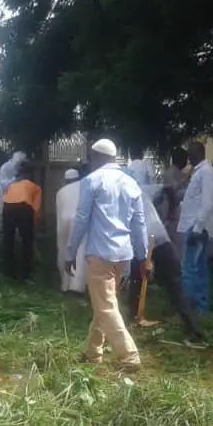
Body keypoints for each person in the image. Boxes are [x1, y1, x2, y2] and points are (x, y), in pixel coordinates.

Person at [65, 138, 148, 373]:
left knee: (105, 306)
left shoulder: (92, 181)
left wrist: (70, 253)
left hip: (101, 253)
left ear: (97, 157)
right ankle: (93, 352)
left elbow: (82, 219)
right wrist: (143, 257)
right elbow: (140, 223)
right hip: (123, 255)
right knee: (105, 303)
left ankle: (129, 356)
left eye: (91, 158)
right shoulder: (130, 182)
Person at [126, 167, 207, 345]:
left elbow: (134, 228)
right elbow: (167, 188)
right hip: (159, 238)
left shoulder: (121, 195)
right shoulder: (141, 189)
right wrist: (170, 212)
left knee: (140, 278)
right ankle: (193, 329)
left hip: (146, 241)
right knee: (171, 284)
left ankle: (135, 318)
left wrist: (144, 259)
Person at [177, 141, 213, 314]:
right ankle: (201, 309)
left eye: (192, 154)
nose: (189, 158)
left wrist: (197, 228)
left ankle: (188, 312)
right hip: (194, 226)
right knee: (199, 269)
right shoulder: (199, 172)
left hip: (195, 228)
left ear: (200, 153)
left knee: (188, 270)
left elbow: (207, 203)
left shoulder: (206, 172)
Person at [1, 161, 42, 281]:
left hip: (7, 208)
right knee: (27, 242)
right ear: (30, 175)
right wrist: (34, 226)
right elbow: (36, 208)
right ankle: (25, 275)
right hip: (24, 207)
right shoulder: (35, 187)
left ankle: (8, 273)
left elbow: (5, 200)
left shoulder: (11, 186)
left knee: (8, 240)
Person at [55, 168, 88, 294]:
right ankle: (76, 287)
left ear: (66, 180)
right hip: (79, 221)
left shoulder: (60, 192)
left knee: (64, 250)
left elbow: (59, 211)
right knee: (79, 252)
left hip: (64, 221)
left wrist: (59, 231)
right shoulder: (84, 187)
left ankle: (65, 284)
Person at [0, 150, 27, 217]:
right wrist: (15, 178)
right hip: (6, 201)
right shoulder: (4, 168)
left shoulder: (22, 170)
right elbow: (4, 187)